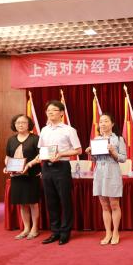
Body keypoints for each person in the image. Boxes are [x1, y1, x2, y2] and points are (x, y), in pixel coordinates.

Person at [37, 100, 82, 246]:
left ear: (61, 113)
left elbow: (78, 150)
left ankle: (65, 232)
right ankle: (55, 231)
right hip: (46, 167)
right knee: (51, 200)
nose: (50, 112)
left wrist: (61, 153)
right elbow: (41, 149)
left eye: (54, 110)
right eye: (48, 110)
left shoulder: (69, 130)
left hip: (62, 166)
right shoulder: (44, 130)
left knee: (64, 200)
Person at [86, 113, 127, 246]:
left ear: (112, 124)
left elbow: (123, 158)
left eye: (106, 121)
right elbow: (95, 159)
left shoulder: (118, 139)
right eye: (101, 122)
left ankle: (115, 232)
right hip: (99, 173)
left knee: (114, 204)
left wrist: (113, 151)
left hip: (112, 171)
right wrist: (90, 153)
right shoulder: (96, 139)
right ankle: (108, 232)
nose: (102, 124)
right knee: (104, 205)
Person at [4, 114, 41, 240]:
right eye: (18, 122)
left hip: (31, 175)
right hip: (16, 176)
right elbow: (8, 156)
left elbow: (40, 156)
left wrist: (29, 165)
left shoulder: (35, 139)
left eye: (23, 122)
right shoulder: (11, 140)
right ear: (14, 125)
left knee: (33, 203)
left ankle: (34, 228)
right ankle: (26, 228)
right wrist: (7, 166)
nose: (20, 125)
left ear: (28, 124)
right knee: (22, 203)